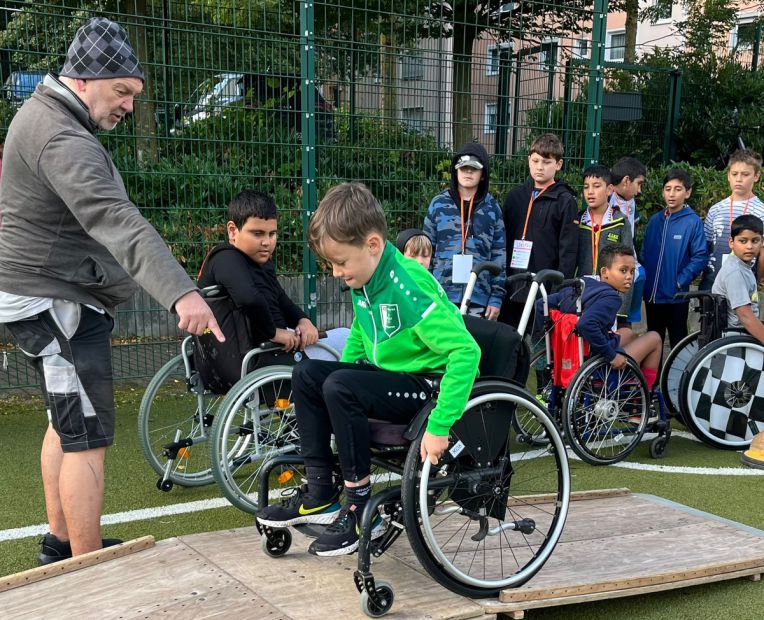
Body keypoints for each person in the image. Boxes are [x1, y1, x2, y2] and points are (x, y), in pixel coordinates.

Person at [0, 18, 222, 565]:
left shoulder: (50, 118)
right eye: (121, 90)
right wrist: (183, 294)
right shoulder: (61, 135)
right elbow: (115, 218)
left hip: (43, 294)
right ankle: (87, 565)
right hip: (54, 300)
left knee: (66, 419)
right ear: (83, 78)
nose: (128, 104)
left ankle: (62, 545)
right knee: (89, 435)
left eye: (134, 93)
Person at [256, 182, 480, 556]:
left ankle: (362, 510)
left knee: (339, 385)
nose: (335, 272)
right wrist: (333, 383)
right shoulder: (368, 278)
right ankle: (320, 493)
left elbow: (466, 351)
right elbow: (362, 331)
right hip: (394, 380)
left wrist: (440, 426)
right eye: (331, 263)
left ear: (372, 245)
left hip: (427, 388)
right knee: (309, 374)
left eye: (340, 262)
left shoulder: (407, 284)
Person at [195, 189, 345, 393]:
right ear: (232, 231)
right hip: (266, 356)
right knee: (348, 339)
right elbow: (249, 299)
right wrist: (274, 333)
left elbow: (280, 298)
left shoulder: (255, 263)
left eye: (272, 234)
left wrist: (303, 320)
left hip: (251, 355)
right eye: (257, 234)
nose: (267, 242)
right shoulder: (226, 259)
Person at [541, 244, 662, 391]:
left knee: (627, 333)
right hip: (598, 367)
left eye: (632, 271)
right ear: (604, 272)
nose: (629, 276)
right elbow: (586, 324)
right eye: (623, 271)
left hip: (572, 356)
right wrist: (611, 356)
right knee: (655, 338)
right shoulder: (611, 298)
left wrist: (552, 346)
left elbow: (542, 304)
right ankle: (641, 396)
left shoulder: (584, 286)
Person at [500, 133, 578, 328]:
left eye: (546, 162)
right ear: (528, 161)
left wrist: (558, 293)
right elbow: (502, 242)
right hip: (513, 286)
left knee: (538, 349)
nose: (539, 167)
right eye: (535, 161)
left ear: (558, 165)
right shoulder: (515, 197)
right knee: (511, 344)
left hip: (544, 291)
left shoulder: (565, 200)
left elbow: (567, 251)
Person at [423, 142, 505, 319]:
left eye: (474, 169)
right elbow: (427, 250)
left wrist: (496, 298)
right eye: (463, 168)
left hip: (479, 297)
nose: (468, 172)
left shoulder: (492, 208)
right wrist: (427, 291)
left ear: (483, 175)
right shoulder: (438, 204)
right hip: (441, 295)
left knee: (473, 346)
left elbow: (498, 254)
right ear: (455, 171)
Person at [711, 215, 764, 469]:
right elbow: (744, 315)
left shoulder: (744, 268)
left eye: (755, 241)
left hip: (741, 333)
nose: (750, 246)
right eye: (743, 241)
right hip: (735, 337)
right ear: (731, 242)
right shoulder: (734, 271)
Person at [641, 168, 708, 349]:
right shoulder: (655, 220)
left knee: (679, 342)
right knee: (653, 341)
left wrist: (680, 280)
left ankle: (679, 378)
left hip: (676, 296)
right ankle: (654, 378)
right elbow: (644, 253)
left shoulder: (692, 222)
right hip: (652, 296)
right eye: (668, 188)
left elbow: (700, 255)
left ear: (688, 192)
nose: (671, 194)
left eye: (677, 189)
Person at [700, 149, 764, 291]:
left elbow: (762, 255)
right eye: (734, 174)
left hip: (743, 282)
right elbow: (706, 245)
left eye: (745, 174)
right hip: (712, 281)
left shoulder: (761, 211)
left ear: (756, 176)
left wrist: (757, 280)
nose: (739, 179)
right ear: (728, 175)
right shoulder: (716, 209)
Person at [576, 165, 633, 278]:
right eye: (586, 187)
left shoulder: (621, 222)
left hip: (609, 291)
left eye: (596, 186)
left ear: (609, 190)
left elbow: (627, 265)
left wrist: (620, 296)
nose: (590, 192)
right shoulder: (578, 221)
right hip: (581, 289)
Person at [609, 157, 647, 326]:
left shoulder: (631, 202)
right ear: (626, 181)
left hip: (629, 260)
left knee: (640, 275)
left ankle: (628, 322)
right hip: (611, 262)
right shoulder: (606, 198)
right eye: (638, 184)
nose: (639, 190)